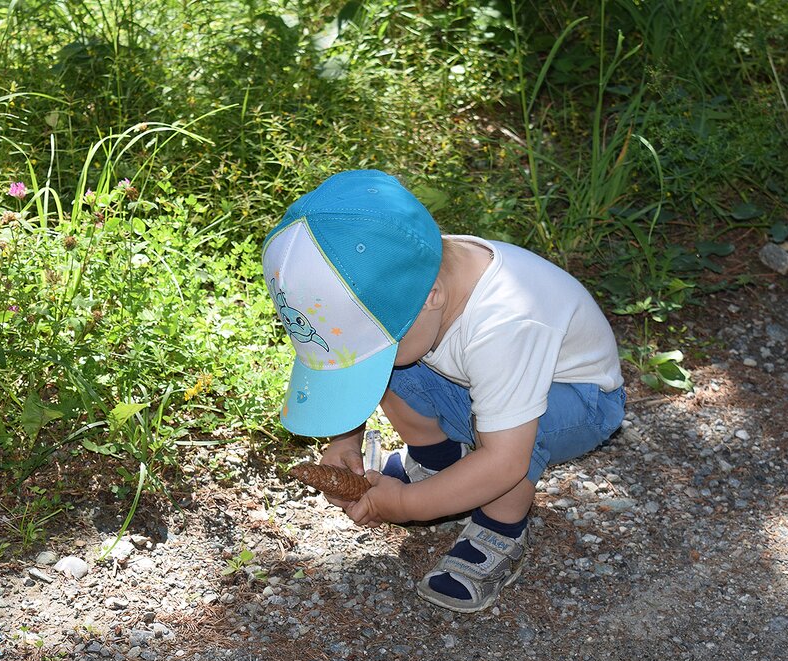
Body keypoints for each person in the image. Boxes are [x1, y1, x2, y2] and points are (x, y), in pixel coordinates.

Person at [262, 169, 625, 613]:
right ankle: (439, 464)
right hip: (480, 380)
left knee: (510, 439)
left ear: (431, 296)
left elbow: (505, 459)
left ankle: (499, 528)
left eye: (375, 349)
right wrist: (346, 437)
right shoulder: (407, 270)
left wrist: (408, 505)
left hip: (576, 400)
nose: (377, 360)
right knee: (400, 368)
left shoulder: (506, 326)